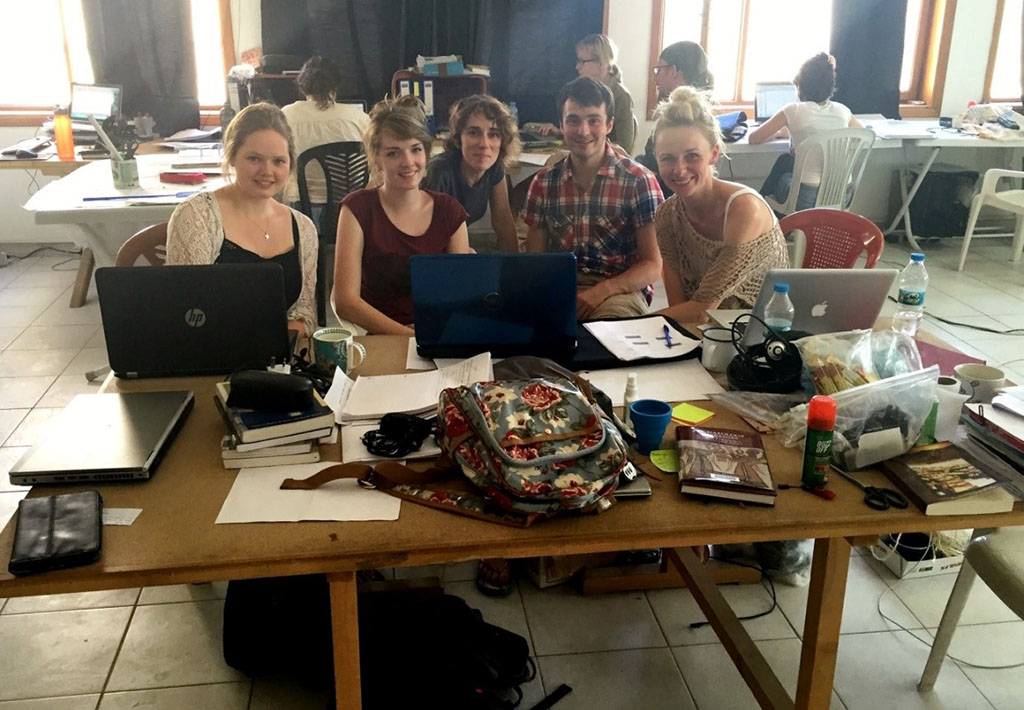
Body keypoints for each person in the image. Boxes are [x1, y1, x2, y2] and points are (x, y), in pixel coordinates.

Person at [167, 103, 318, 339]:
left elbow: (305, 315)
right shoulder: (197, 215)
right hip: (212, 356)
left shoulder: (304, 228)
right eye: (255, 159)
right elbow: (188, 312)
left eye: (278, 161)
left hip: (279, 363)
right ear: (232, 156)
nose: (267, 171)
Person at [523, 77, 663, 320]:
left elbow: (653, 265)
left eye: (593, 120)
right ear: (561, 124)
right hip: (562, 285)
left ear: (609, 125)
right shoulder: (543, 183)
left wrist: (601, 291)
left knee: (604, 339)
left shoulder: (640, 181)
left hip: (618, 290)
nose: (583, 131)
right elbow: (537, 262)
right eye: (573, 120)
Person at [332, 95, 471, 335]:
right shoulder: (357, 209)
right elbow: (346, 302)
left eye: (415, 149)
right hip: (380, 337)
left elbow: (460, 294)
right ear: (376, 158)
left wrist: (434, 334)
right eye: (393, 153)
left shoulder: (449, 211)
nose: (408, 162)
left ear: (426, 153)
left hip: (440, 333)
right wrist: (411, 337)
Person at [653, 86, 788, 323]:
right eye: (668, 158)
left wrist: (623, 326)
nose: (679, 169)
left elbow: (702, 308)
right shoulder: (666, 215)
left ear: (714, 154)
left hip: (762, 330)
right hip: (710, 331)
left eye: (692, 156)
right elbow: (679, 309)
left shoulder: (744, 209)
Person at [748, 52, 861, 211]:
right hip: (843, 195)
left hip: (806, 200)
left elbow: (754, 138)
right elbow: (862, 134)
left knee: (783, 171)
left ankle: (761, 214)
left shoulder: (793, 110)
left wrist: (778, 133)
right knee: (786, 161)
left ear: (801, 86)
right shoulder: (843, 110)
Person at [422, 95, 521, 253]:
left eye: (494, 134)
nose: (484, 144)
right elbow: (428, 239)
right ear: (459, 138)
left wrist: (516, 267)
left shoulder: (494, 168)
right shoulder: (438, 173)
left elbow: (503, 221)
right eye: (474, 133)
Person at [281, 56, 370, 227]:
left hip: (300, 209)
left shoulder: (285, 117)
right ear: (335, 86)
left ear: (302, 86)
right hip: (350, 207)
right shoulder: (360, 118)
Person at [533, 34, 638, 153]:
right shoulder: (584, 91)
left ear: (601, 64)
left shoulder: (621, 96)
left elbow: (624, 147)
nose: (577, 67)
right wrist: (561, 132)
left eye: (582, 61)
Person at [638, 40, 714, 197]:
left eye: (658, 70)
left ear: (673, 71)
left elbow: (651, 173)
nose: (655, 78)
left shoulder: (677, 121)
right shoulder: (703, 115)